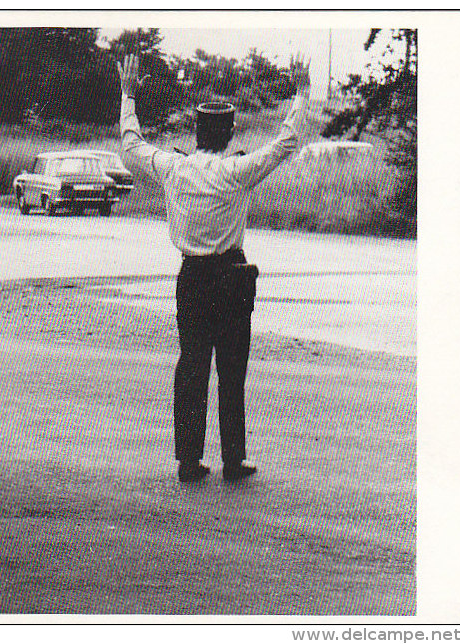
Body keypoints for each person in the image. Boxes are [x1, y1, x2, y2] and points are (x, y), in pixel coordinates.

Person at [117, 53, 310, 482]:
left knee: (192, 366)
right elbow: (285, 144)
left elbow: (131, 147)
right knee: (232, 368)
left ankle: (188, 459)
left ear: (197, 132)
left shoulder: (175, 169)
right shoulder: (237, 171)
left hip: (192, 277)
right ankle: (234, 458)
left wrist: (128, 95)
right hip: (231, 278)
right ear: (228, 134)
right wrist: (301, 92)